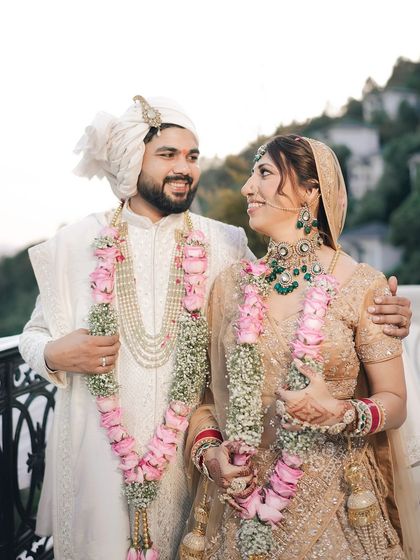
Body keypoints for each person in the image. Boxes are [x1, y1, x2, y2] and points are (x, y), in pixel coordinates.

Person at [20, 100, 410, 560]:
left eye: (193, 156)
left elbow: (292, 311)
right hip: (109, 454)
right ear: (131, 161)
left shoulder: (224, 243)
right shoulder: (77, 244)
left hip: (207, 476)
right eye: (168, 155)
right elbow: (36, 332)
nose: (184, 168)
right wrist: (50, 354)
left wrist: (390, 317)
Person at [181, 135, 419, 560]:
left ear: (312, 191)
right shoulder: (230, 286)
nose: (247, 188)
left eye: (264, 174)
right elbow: (206, 399)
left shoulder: (363, 286)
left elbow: (396, 402)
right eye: (252, 174)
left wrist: (342, 412)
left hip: (336, 502)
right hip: (240, 500)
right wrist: (210, 454)